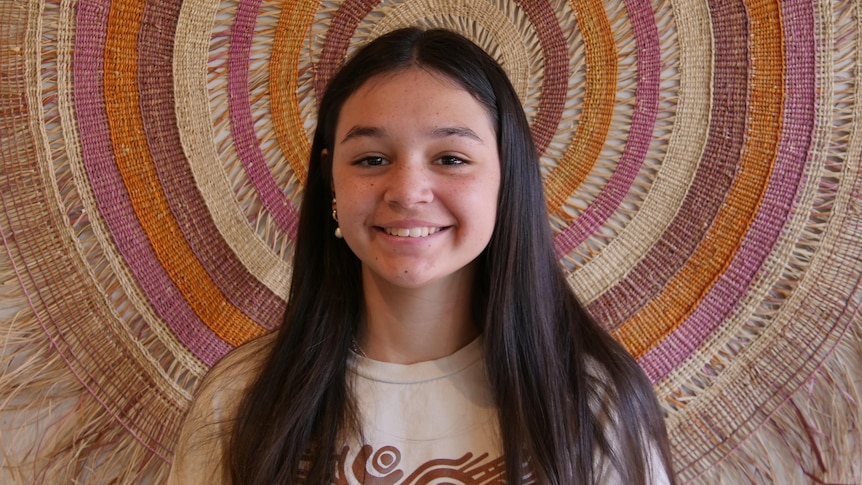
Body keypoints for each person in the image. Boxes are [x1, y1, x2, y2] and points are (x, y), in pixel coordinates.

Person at [168, 27, 676, 484]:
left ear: (507, 177)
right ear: (330, 181)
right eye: (372, 159)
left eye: (451, 159)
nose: (408, 191)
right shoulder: (240, 400)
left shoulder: (591, 403)